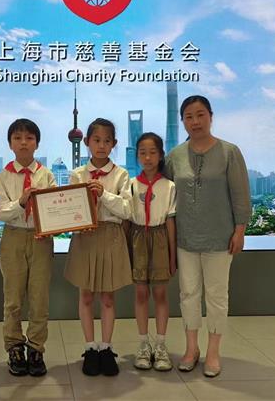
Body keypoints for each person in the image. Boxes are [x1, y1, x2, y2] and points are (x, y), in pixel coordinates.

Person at [165, 95, 251, 378]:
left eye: (200, 115)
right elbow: (165, 195)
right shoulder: (175, 156)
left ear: (211, 117)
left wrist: (240, 230)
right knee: (188, 294)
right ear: (182, 121)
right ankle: (192, 349)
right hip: (185, 239)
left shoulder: (229, 152)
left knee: (216, 296)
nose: (195, 121)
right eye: (189, 117)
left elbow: (241, 195)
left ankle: (213, 351)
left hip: (220, 238)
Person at [64, 118, 133, 376]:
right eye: (96, 140)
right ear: (87, 142)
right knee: (85, 295)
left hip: (111, 236)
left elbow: (127, 210)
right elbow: (70, 209)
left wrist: (104, 194)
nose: (101, 145)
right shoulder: (77, 174)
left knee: (107, 297)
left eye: (107, 141)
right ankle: (90, 347)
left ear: (114, 144)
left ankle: (106, 348)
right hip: (84, 236)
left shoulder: (121, 174)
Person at [0, 118, 56, 377]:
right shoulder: (4, 175)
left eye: (29, 138)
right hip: (13, 237)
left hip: (41, 239)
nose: (23, 143)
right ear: (10, 144)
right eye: (17, 138)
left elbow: (56, 209)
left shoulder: (46, 174)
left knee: (39, 299)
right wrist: (21, 202)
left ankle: (36, 348)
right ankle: (14, 347)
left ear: (37, 143)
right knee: (13, 299)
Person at [128, 132, 177, 372]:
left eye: (152, 152)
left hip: (160, 239)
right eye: (142, 153)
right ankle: (143, 345)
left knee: (160, 294)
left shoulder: (169, 186)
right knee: (140, 294)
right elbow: (126, 220)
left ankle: (161, 345)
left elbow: (170, 222)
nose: (147, 158)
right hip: (137, 238)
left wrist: (172, 255)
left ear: (160, 155)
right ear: (137, 156)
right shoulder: (130, 184)